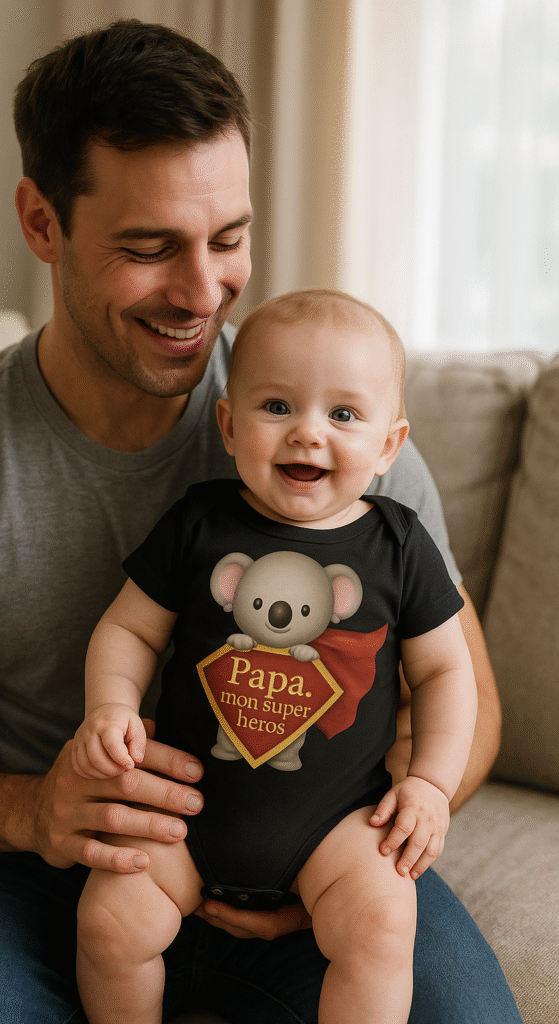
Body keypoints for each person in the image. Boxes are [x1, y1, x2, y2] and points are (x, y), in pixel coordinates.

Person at [0, 19, 521, 1024]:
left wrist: (347, 831)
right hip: (31, 863)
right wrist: (32, 811)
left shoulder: (330, 422)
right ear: (41, 223)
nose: (201, 291)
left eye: (228, 239)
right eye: (149, 248)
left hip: (324, 852)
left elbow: (465, 694)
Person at [72, 288, 478, 1024]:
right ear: (228, 424)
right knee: (109, 922)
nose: (307, 435)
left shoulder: (398, 546)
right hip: (182, 824)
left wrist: (430, 784)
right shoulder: (198, 522)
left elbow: (447, 672)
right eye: (277, 407)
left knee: (383, 925)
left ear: (390, 444)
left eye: (343, 414)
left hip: (333, 833)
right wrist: (110, 707)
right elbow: (129, 630)